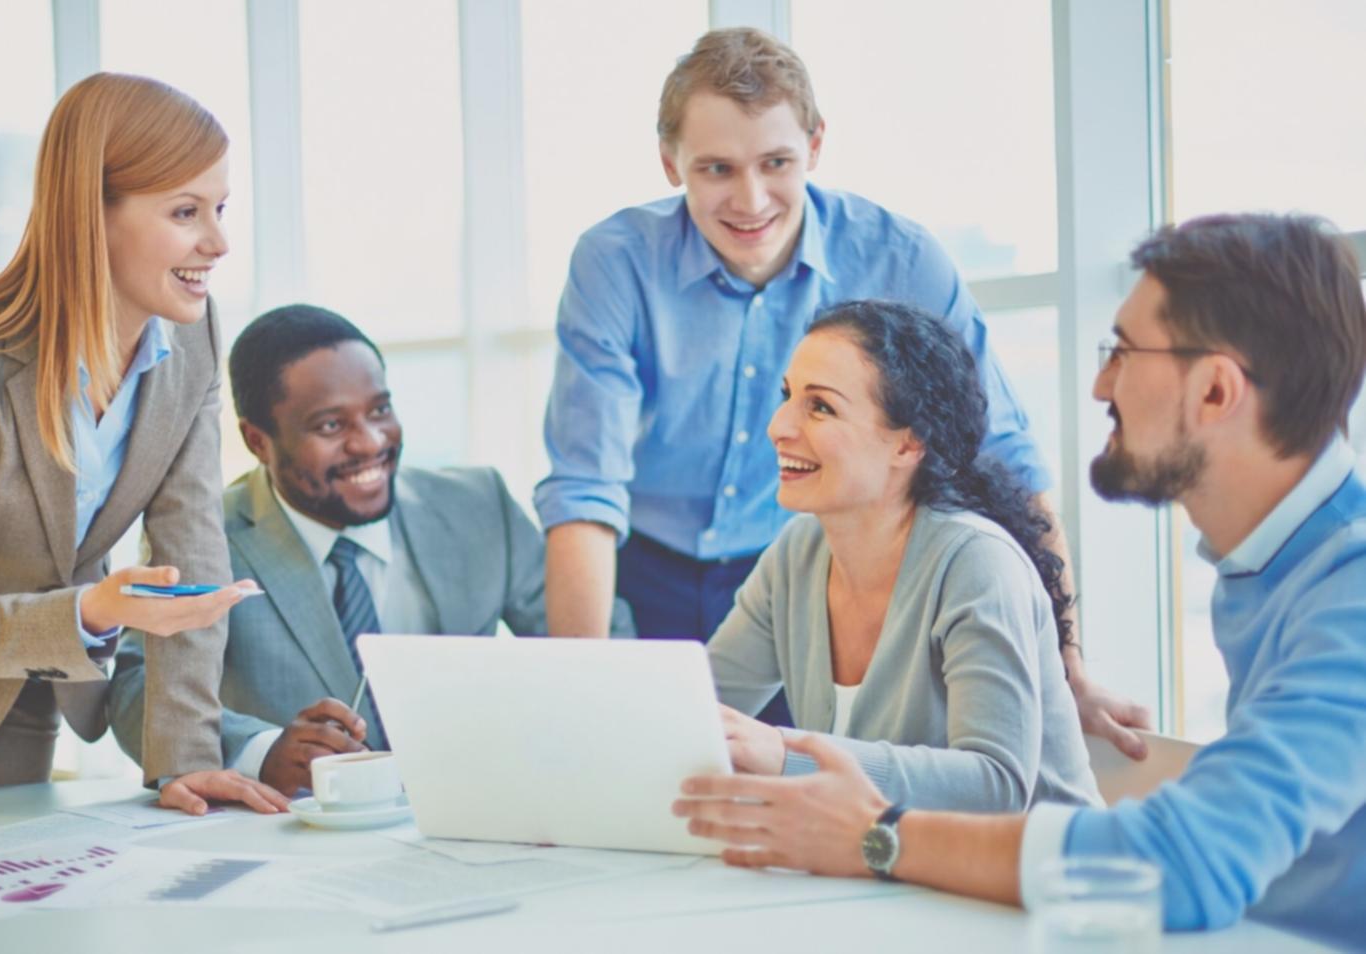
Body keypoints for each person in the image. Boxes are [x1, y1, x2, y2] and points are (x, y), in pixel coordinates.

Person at [673, 213, 1366, 949]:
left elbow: (1181, 866)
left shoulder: (1348, 596)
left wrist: (876, 836)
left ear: (1217, 392)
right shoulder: (1269, 569)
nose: (1101, 383)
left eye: (1124, 352)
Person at [535, 27, 1147, 752]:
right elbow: (585, 494)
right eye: (716, 169)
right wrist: (572, 706)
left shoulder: (901, 258)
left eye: (776, 162)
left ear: (817, 147)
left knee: (812, 792)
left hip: (814, 576)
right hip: (648, 569)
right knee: (641, 772)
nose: (751, 199)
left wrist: (1067, 670)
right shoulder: (616, 263)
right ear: (670, 162)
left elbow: (1006, 463)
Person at [0, 73, 286, 814]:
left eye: (220, 209)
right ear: (91, 215)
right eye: (185, 211)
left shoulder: (192, 343)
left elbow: (190, 556)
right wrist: (94, 611)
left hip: (27, 685)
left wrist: (183, 762)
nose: (218, 242)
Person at [109, 305, 633, 796]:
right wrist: (261, 752)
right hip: (302, 840)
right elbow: (136, 689)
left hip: (477, 813)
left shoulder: (480, 505)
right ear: (258, 442)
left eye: (380, 410)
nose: (369, 443)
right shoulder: (205, 538)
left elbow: (600, 643)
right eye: (331, 426)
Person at [708, 300, 1100, 811]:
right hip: (898, 880)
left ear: (909, 444)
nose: (778, 425)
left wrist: (785, 754)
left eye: (820, 406)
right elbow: (697, 715)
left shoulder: (976, 563)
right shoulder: (795, 556)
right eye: (787, 396)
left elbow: (997, 787)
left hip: (1039, 881)